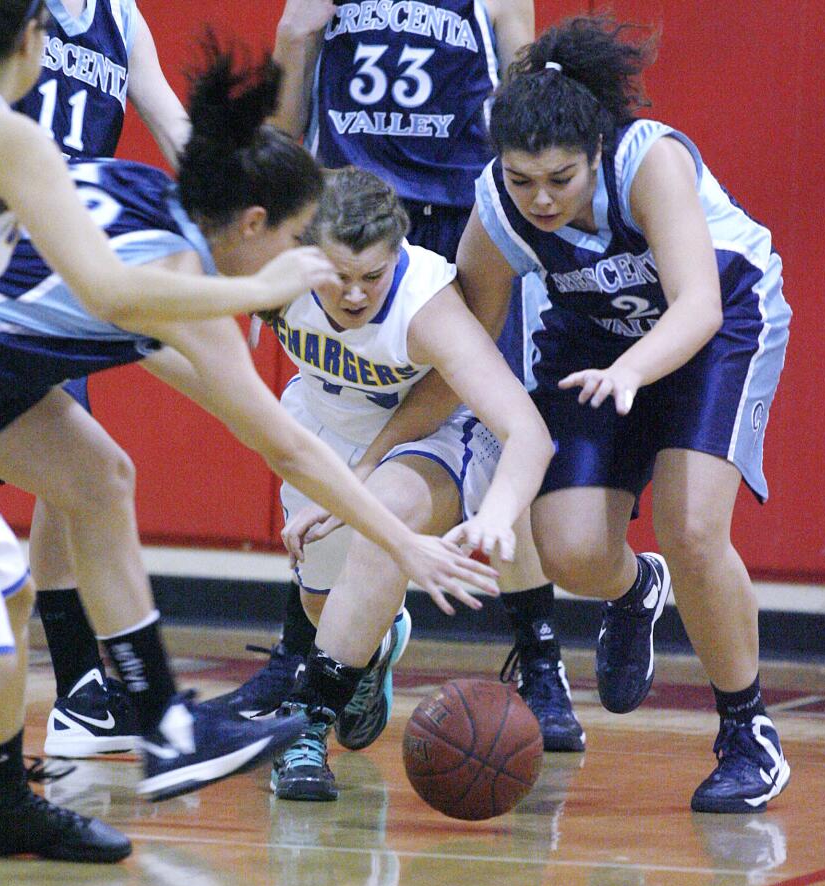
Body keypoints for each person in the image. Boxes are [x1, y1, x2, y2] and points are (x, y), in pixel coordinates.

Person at [0, 9, 497, 819]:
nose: (303, 267)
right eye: (294, 241)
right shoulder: (194, 285)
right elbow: (288, 448)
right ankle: (131, 739)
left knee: (100, 477)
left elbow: (202, 383)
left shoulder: (148, 194)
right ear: (253, 226)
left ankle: (160, 726)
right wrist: (403, 545)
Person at [215, 0, 585, 755]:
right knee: (327, 418)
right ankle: (309, 653)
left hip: (456, 224)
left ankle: (540, 658)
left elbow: (523, 108)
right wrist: (294, 33)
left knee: (489, 430)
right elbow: (285, 122)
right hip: (346, 219)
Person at [454, 15, 792, 813]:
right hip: (589, 344)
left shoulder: (652, 161)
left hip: (716, 328)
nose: (538, 197)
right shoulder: (494, 212)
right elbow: (465, 336)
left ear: (595, 153)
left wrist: (631, 372)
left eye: (559, 180)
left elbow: (698, 306)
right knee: (569, 550)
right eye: (521, 179)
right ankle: (635, 589)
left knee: (693, 526)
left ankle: (747, 731)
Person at [243, 166, 551, 800]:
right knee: (326, 607)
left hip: (436, 436)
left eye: (371, 276)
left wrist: (497, 514)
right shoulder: (270, 276)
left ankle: (304, 728)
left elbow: (530, 432)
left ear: (397, 255)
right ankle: (374, 645)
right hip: (326, 422)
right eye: (339, 277)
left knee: (389, 510)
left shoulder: (425, 305)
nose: (355, 296)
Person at [7, 0, 191, 760]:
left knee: (81, 475)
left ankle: (82, 688)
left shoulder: (122, 16)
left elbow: (176, 127)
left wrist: (235, 197)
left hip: (64, 273)